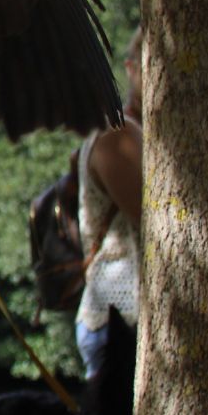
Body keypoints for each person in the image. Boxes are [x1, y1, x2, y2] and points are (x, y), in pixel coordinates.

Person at [76, 28, 143, 379]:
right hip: (117, 322)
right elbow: (155, 219)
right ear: (131, 68)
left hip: (134, 324)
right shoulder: (116, 133)